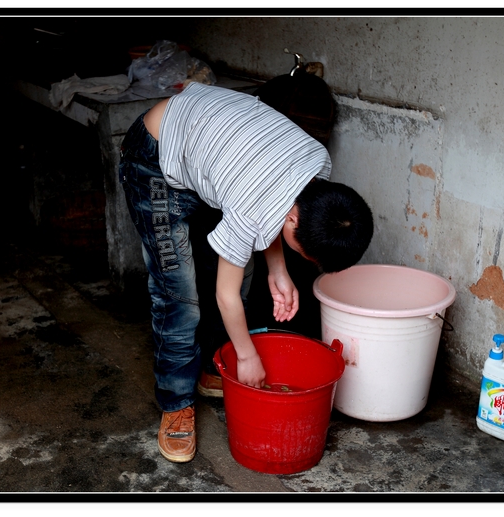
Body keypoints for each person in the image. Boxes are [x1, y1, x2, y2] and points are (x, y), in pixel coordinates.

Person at [118, 82, 373, 463]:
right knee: (179, 297)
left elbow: (272, 206)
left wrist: (279, 270)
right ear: (295, 219)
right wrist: (248, 355)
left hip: (206, 143)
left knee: (243, 274)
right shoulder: (257, 203)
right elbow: (227, 288)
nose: (302, 257)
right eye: (304, 251)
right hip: (153, 155)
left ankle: (210, 370)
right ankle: (175, 404)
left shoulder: (315, 164)